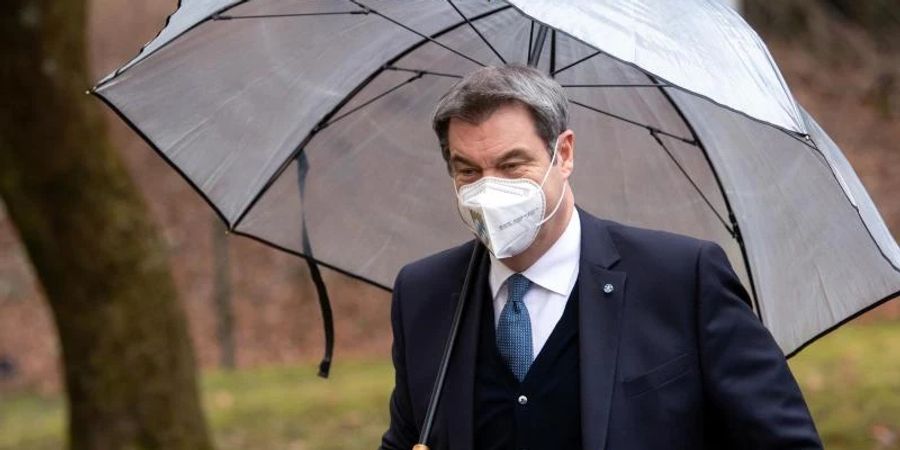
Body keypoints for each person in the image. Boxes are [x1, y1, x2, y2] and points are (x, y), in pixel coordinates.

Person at [380, 65, 822, 450]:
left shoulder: (680, 279)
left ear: (564, 154)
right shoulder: (425, 293)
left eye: (513, 166)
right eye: (469, 171)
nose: (489, 190)